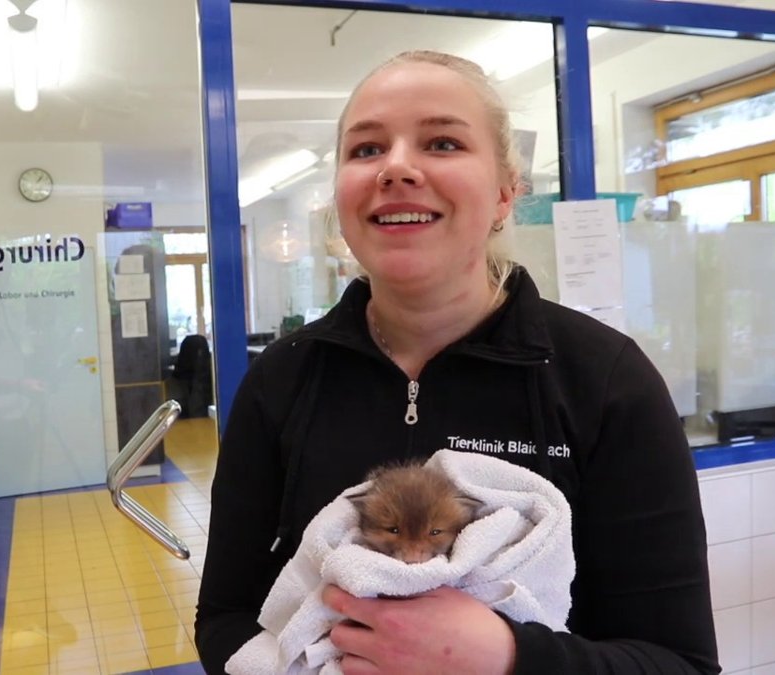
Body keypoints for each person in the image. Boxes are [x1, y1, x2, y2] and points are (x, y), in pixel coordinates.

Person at [195, 50, 720, 674]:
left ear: (505, 193)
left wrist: (506, 657)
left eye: (442, 142)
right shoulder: (280, 381)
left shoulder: (605, 380)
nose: (396, 167)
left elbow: (680, 664)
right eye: (366, 150)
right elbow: (225, 618)